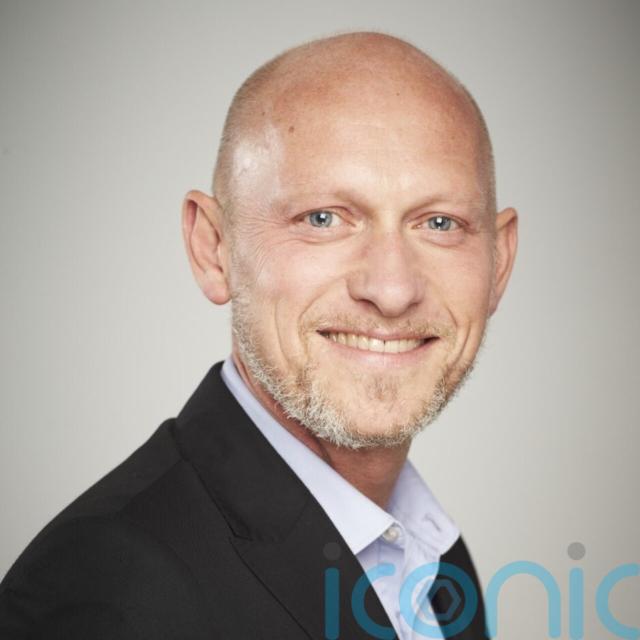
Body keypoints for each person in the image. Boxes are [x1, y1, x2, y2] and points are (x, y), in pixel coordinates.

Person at [0, 31, 517, 639]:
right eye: (322, 218)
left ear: (499, 263)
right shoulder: (106, 592)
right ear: (213, 248)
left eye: (440, 223)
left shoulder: (435, 561)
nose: (392, 289)